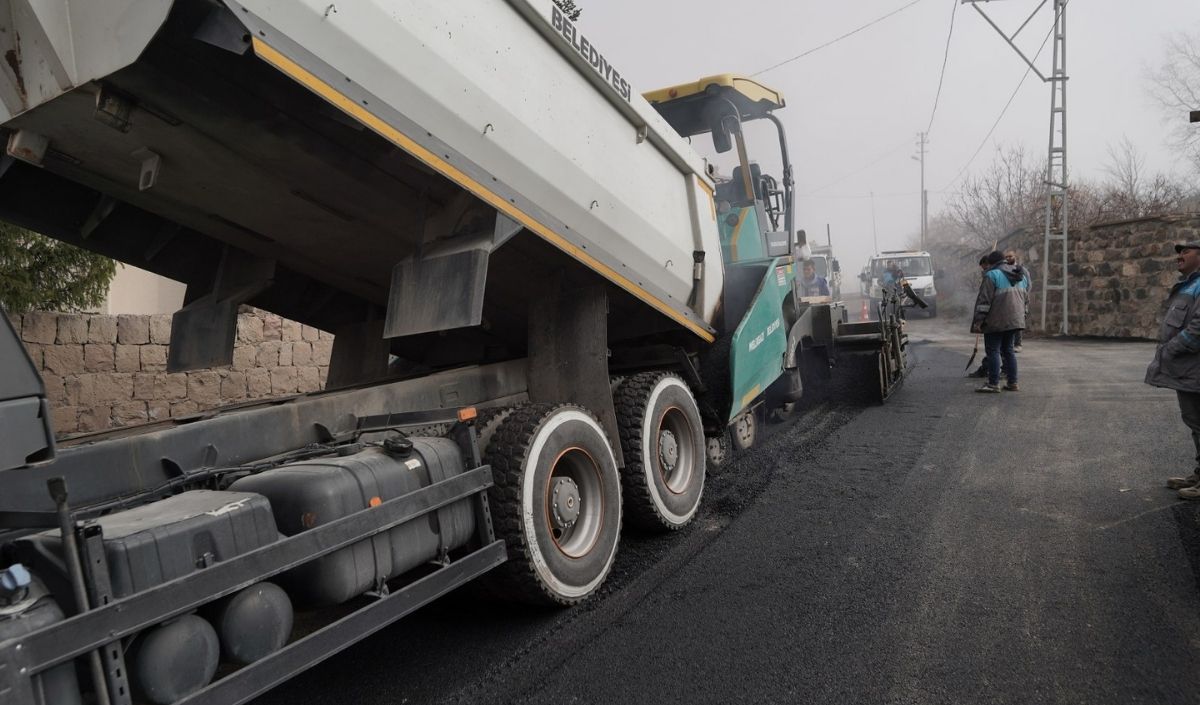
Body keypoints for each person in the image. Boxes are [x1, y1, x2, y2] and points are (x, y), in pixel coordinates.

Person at [1147, 242, 1200, 498]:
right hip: (1188, 370)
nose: (1180, 256)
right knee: (1194, 422)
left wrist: (1171, 349)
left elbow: (1197, 330)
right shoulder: (1189, 284)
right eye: (1179, 252)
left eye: (1186, 252)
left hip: (1194, 367)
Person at [971, 250, 1029, 393]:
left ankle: (993, 384)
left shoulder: (992, 275)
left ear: (991, 263)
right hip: (1015, 320)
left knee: (993, 351)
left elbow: (984, 301)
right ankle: (1012, 382)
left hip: (996, 321)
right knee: (1008, 350)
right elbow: (1026, 299)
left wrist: (978, 321)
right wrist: (1023, 316)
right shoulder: (1020, 275)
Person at [1005, 250, 1032, 352]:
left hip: (1021, 298)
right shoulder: (1005, 270)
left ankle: (1018, 344)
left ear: (1015, 257)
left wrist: (1025, 297)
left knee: (1018, 321)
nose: (1008, 258)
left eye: (1010, 256)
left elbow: (1029, 285)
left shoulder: (1023, 270)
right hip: (1009, 298)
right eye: (1006, 257)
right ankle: (1009, 343)